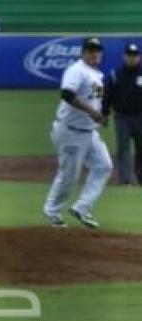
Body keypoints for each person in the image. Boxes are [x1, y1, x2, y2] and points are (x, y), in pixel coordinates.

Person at [43, 37, 112, 229]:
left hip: (89, 132)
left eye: (97, 50)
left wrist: (100, 116)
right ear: (83, 52)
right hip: (70, 131)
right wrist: (92, 112)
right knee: (69, 175)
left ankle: (82, 207)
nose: (94, 53)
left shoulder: (97, 74)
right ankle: (52, 211)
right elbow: (67, 94)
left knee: (103, 166)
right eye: (91, 50)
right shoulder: (77, 70)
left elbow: (95, 102)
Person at [104, 43, 142, 185]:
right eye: (129, 56)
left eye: (134, 56)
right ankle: (124, 179)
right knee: (123, 149)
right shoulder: (116, 75)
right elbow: (107, 94)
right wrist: (105, 112)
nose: (132, 58)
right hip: (122, 117)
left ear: (139, 57)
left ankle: (140, 178)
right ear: (124, 57)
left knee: (141, 148)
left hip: (141, 117)